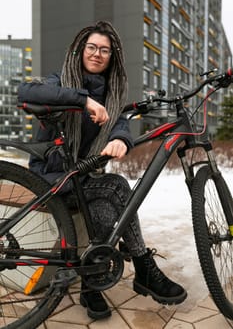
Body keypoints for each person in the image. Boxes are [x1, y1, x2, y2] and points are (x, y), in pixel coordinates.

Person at [18, 21, 187, 320]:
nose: (97, 54)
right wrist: (83, 100)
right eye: (92, 47)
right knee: (116, 186)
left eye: (104, 50)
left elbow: (118, 121)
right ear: (81, 51)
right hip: (50, 179)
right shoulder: (61, 81)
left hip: (80, 181)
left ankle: (90, 285)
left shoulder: (111, 95)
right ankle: (144, 267)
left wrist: (120, 138)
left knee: (110, 217)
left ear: (112, 58)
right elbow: (26, 90)